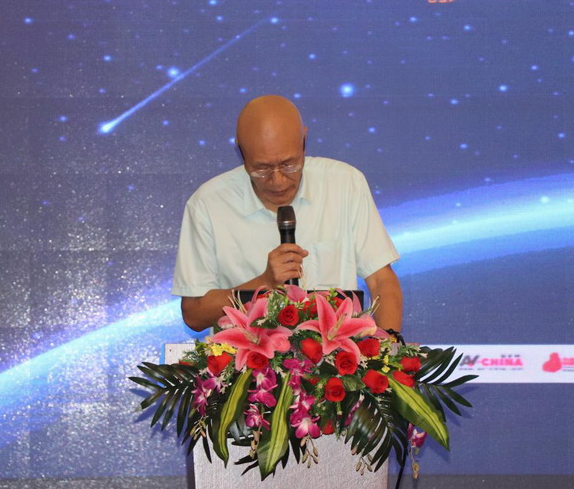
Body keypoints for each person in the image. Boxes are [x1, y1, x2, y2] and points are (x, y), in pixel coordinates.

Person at [172, 95, 402, 332]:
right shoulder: (208, 204)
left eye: (289, 165)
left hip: (337, 352)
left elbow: (381, 280)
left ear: (304, 140)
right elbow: (194, 314)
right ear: (241, 151)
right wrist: (264, 283)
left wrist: (390, 345)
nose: (278, 181)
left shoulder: (345, 183)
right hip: (248, 354)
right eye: (262, 169)